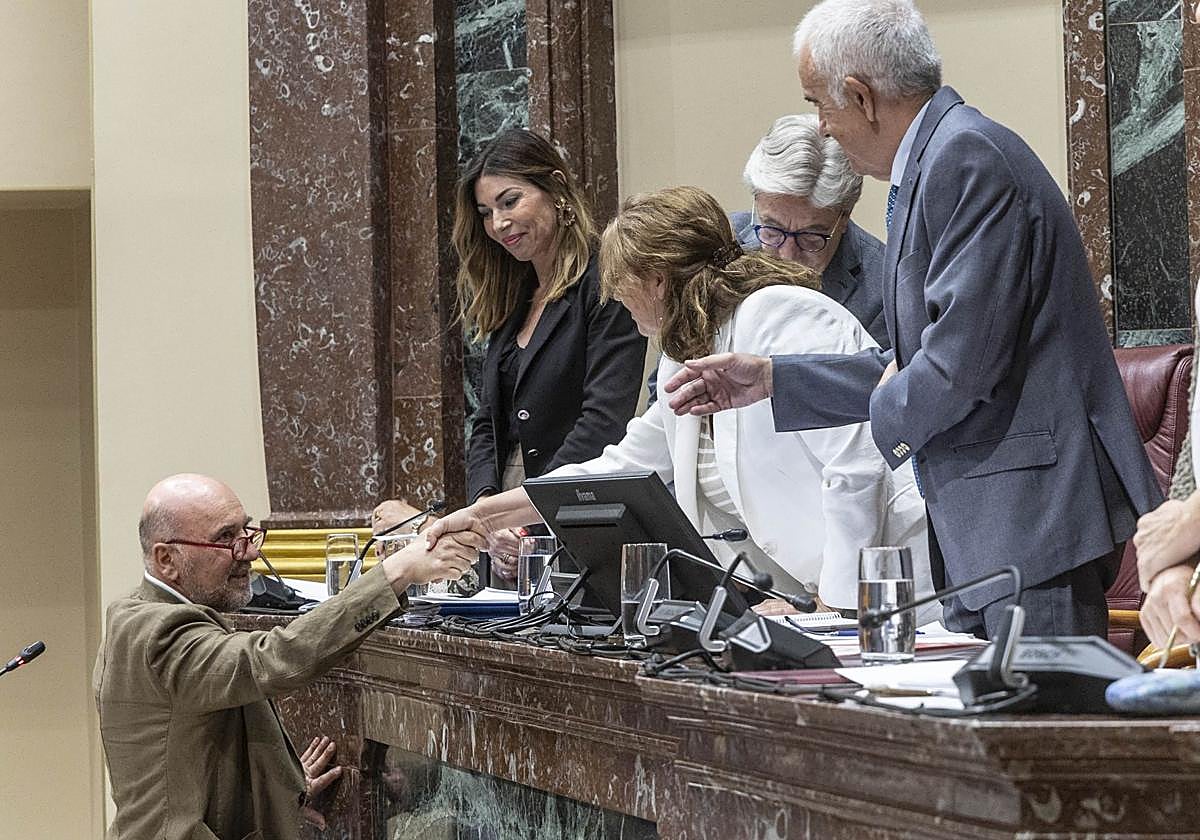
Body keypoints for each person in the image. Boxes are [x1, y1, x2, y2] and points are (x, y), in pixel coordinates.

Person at [662, 0, 1161, 640]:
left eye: (819, 104)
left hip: (1029, 519)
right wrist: (772, 380)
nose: (822, 129)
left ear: (861, 97)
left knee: (1040, 708)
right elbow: (918, 361)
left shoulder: (965, 157)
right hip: (991, 525)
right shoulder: (936, 159)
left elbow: (959, 365)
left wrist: (881, 415)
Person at [428, 186, 935, 616]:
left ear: (656, 279)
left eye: (620, 282)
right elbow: (620, 468)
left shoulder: (780, 314)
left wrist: (835, 603)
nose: (616, 298)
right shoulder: (683, 354)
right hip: (818, 596)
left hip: (892, 586)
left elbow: (857, 463)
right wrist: (485, 515)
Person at [93, 474, 480, 840]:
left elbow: (193, 757)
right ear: (166, 559)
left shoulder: (136, 614)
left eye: (245, 531)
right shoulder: (160, 632)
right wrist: (397, 571)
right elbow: (270, 659)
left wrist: (282, 788)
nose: (249, 551)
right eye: (226, 538)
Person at [453, 128, 647, 584]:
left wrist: (526, 517)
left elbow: (603, 422)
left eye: (510, 201)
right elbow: (487, 423)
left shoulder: (607, 280)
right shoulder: (513, 295)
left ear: (556, 189)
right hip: (503, 534)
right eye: (486, 213)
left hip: (573, 516)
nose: (499, 223)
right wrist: (487, 513)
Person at [733, 113, 888, 348]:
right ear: (756, 201)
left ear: (844, 216)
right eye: (773, 230)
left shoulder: (884, 291)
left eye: (809, 238)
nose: (787, 257)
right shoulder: (721, 243)